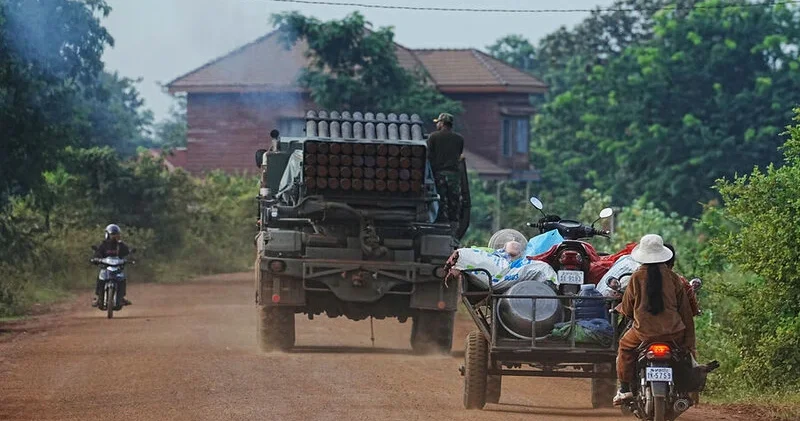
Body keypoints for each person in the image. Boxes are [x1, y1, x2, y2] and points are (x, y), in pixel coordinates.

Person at [613, 234, 696, 405]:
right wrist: (688, 341)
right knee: (684, 355)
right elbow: (685, 311)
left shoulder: (636, 277)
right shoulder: (674, 278)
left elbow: (627, 308)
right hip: (674, 333)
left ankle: (625, 389)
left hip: (644, 333)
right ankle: (684, 389)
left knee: (624, 347)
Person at [427, 112, 464, 227]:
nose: (437, 125)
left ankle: (441, 221)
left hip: (439, 174)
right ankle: (453, 222)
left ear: (442, 123)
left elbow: (429, 155)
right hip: (454, 175)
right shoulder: (459, 139)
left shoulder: (433, 137)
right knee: (454, 199)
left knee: (440, 199)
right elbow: (458, 155)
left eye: (438, 123)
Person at [92, 224, 132, 307]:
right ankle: (99, 298)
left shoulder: (121, 245)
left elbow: (127, 253)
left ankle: (121, 298)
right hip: (106, 268)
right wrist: (96, 259)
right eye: (112, 234)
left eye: (116, 234)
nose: (114, 236)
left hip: (118, 268)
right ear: (107, 235)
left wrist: (129, 258)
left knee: (122, 280)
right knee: (100, 279)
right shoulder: (103, 245)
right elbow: (98, 253)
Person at [664, 244, 701, 316]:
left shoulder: (637, 279)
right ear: (672, 263)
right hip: (673, 325)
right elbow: (692, 308)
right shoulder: (680, 281)